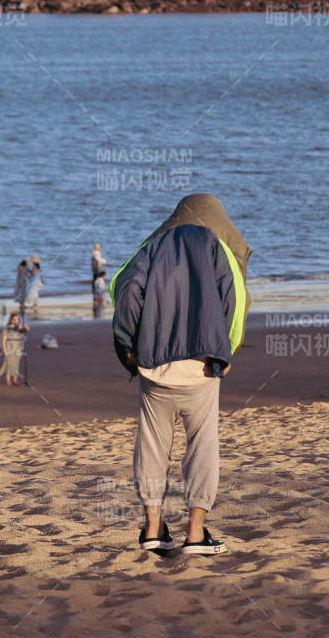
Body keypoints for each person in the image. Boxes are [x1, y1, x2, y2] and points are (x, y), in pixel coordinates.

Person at [112, 193, 249, 557]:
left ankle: (153, 530)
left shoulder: (154, 246)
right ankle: (194, 534)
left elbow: (124, 288)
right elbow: (235, 299)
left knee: (152, 447)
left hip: (154, 366)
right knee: (203, 446)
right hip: (202, 366)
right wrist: (227, 349)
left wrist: (128, 347)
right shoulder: (217, 247)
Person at [0, 313, 29, 386]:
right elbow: (4, 339)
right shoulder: (7, 328)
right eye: (14, 319)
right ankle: (8, 380)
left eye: (17, 319)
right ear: (11, 320)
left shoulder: (19, 327)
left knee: (16, 362)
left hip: (18, 345)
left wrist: (25, 327)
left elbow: (26, 329)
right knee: (9, 362)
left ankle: (15, 379)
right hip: (10, 345)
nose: (15, 321)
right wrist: (4, 348)